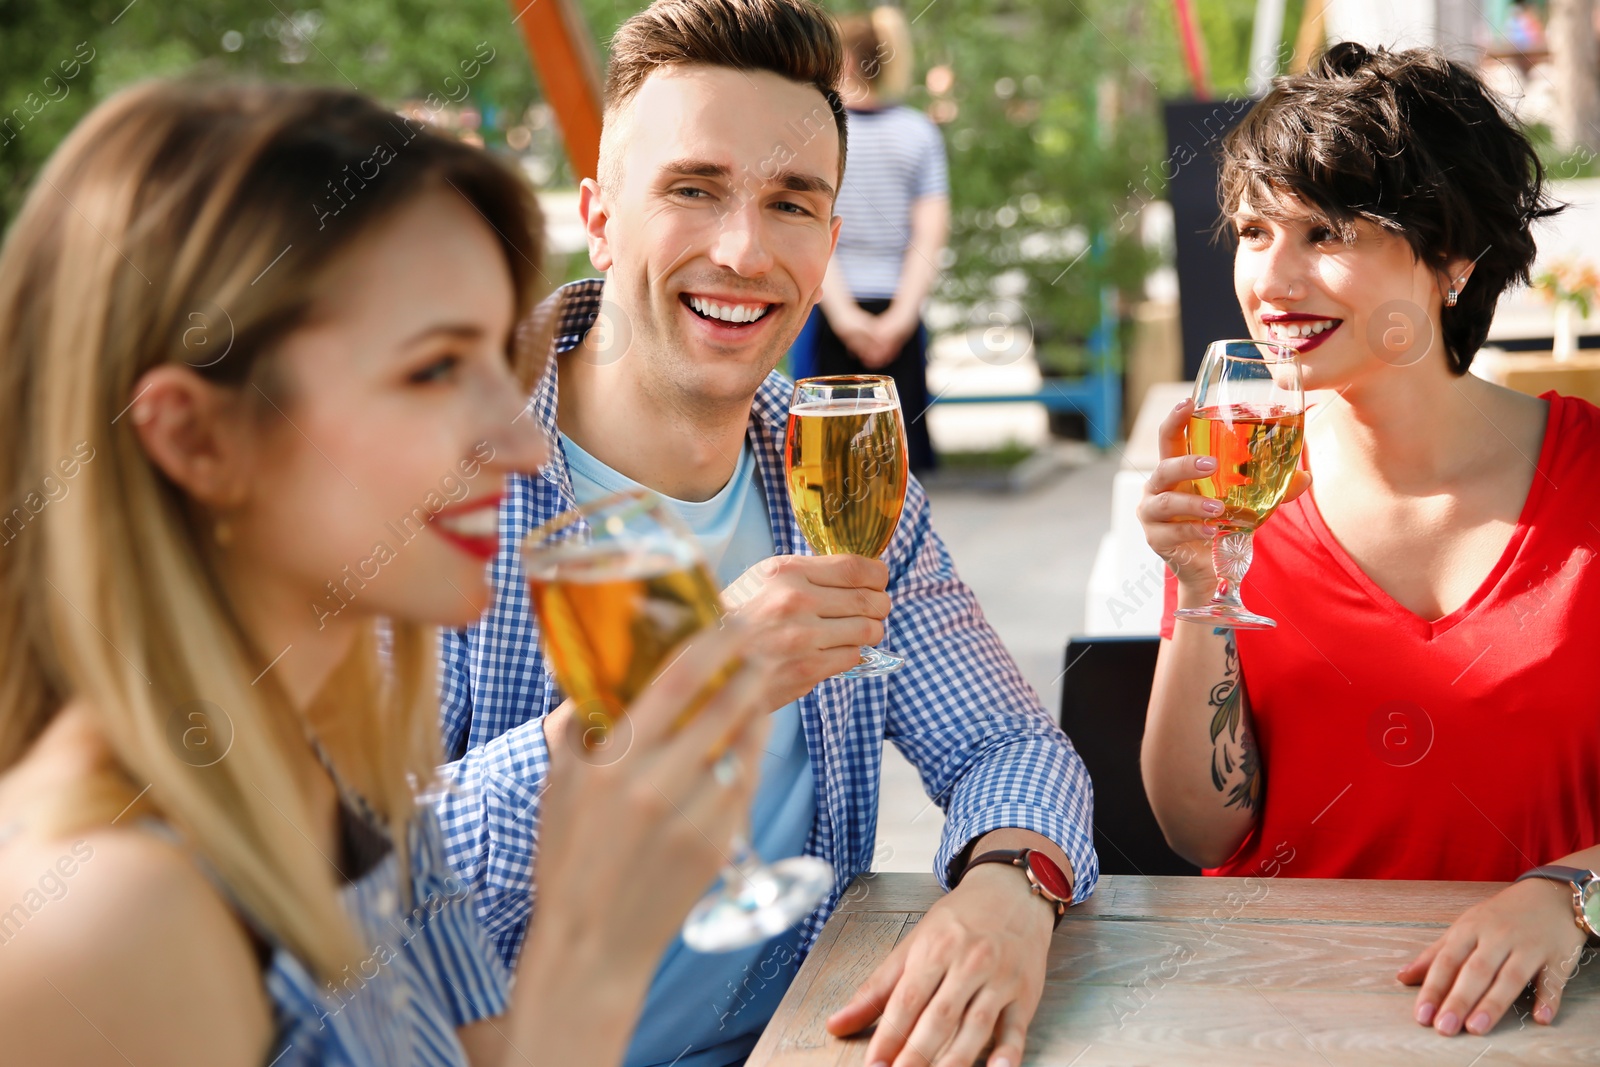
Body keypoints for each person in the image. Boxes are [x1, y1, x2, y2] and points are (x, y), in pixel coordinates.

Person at [0, 80, 778, 1066]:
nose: (522, 444)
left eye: (501, 355)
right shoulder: (103, 923)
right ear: (196, 437)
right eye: (432, 369)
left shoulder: (337, 774)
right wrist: (591, 949)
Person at [433, 2, 1097, 1066]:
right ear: (600, 217)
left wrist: (1010, 891)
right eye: (694, 189)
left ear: (828, 242)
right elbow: (336, 899)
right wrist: (674, 695)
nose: (743, 250)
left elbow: (1007, 745)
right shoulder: (437, 477)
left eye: (790, 204)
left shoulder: (839, 473)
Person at [1138, 42, 1600, 1040]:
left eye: (1327, 231)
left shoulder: (1589, 478)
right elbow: (1203, 827)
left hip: (1544, 1020)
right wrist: (1200, 590)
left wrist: (1571, 891)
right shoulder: (1239, 482)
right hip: (1277, 1010)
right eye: (1255, 229)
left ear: (1452, 259)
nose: (1270, 275)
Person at [801, 5, 948, 474]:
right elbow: (929, 233)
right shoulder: (919, 133)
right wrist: (900, 319)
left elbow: (811, 223)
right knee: (895, 468)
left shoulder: (818, 132)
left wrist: (844, 318)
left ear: (839, 59)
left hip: (826, 307)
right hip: (897, 314)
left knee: (825, 461)